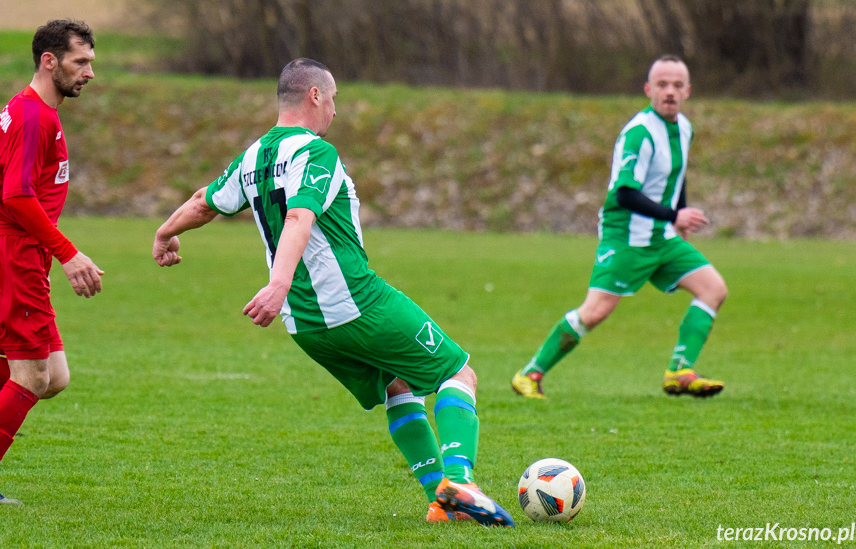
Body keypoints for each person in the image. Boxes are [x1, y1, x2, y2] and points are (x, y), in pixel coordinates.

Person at [152, 58, 515, 527]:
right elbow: (300, 217)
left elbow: (206, 201)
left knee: (398, 386)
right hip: (355, 302)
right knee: (457, 373)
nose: (336, 112)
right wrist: (277, 285)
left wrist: (164, 232)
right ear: (315, 96)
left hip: (306, 325)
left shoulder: (253, 156)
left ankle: (442, 502)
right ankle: (462, 483)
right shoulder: (318, 153)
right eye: (335, 97)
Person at [512, 54, 728, 400]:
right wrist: (674, 215)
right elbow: (624, 194)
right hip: (626, 237)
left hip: (661, 236)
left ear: (688, 91)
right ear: (648, 89)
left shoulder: (684, 127)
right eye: (662, 85)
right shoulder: (639, 134)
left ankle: (679, 371)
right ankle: (529, 374)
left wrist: (680, 212)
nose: (669, 92)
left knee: (713, 289)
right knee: (595, 312)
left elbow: (676, 175)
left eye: (676, 85)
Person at [0, 19, 104, 506]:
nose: (88, 72)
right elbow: (17, 197)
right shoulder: (34, 117)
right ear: (49, 61)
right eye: (80, 61)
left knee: (53, 377)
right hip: (17, 256)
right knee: (34, 377)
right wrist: (69, 253)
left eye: (91, 63)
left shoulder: (31, 111)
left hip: (22, 257)